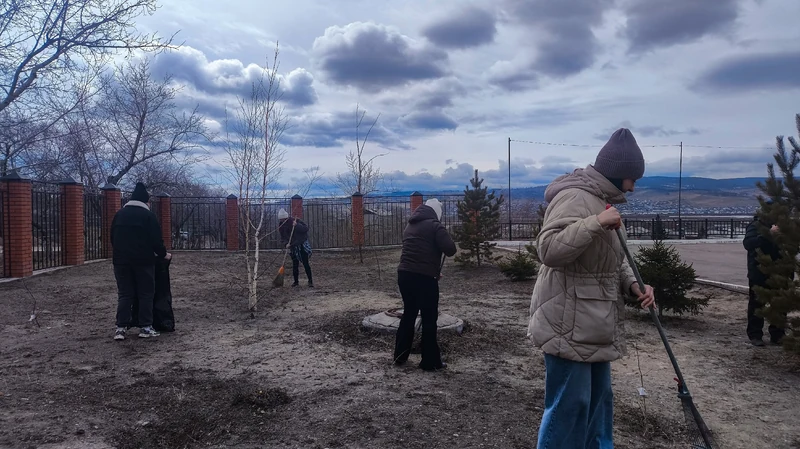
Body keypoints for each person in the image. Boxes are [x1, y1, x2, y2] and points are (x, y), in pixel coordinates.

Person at [528, 128, 656, 448]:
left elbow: (610, 259)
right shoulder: (575, 197)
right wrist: (595, 222)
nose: (633, 186)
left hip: (595, 321)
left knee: (598, 406)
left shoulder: (601, 201)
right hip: (567, 321)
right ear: (617, 172)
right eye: (632, 178)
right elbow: (549, 250)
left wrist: (634, 285)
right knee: (569, 409)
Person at [393, 198, 457, 371]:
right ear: (437, 213)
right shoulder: (435, 226)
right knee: (429, 318)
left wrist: (433, 271)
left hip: (405, 275)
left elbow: (418, 252)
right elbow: (450, 249)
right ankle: (430, 361)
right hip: (424, 279)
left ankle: (400, 355)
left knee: (409, 314)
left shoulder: (410, 225)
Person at [111, 182, 171, 340]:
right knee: (146, 293)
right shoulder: (148, 216)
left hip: (121, 262)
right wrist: (163, 254)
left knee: (125, 294)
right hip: (144, 261)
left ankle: (120, 328)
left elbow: (112, 237)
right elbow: (156, 240)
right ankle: (145, 327)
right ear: (146, 201)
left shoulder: (119, 214)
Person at [742, 198, 786, 346]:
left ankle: (778, 334)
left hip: (781, 273)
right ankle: (755, 335)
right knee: (757, 305)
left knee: (780, 305)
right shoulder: (756, 226)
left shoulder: (783, 227)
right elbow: (748, 243)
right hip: (759, 272)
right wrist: (768, 234)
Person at [278, 208, 313, 287]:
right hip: (292, 246)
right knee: (295, 264)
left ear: (286, 217)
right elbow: (283, 237)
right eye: (281, 220)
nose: (282, 221)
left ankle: (310, 281)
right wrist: (286, 244)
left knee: (305, 263)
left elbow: (305, 229)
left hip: (301, 244)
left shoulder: (295, 221)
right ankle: (296, 282)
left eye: (283, 219)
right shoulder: (281, 225)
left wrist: (297, 225)